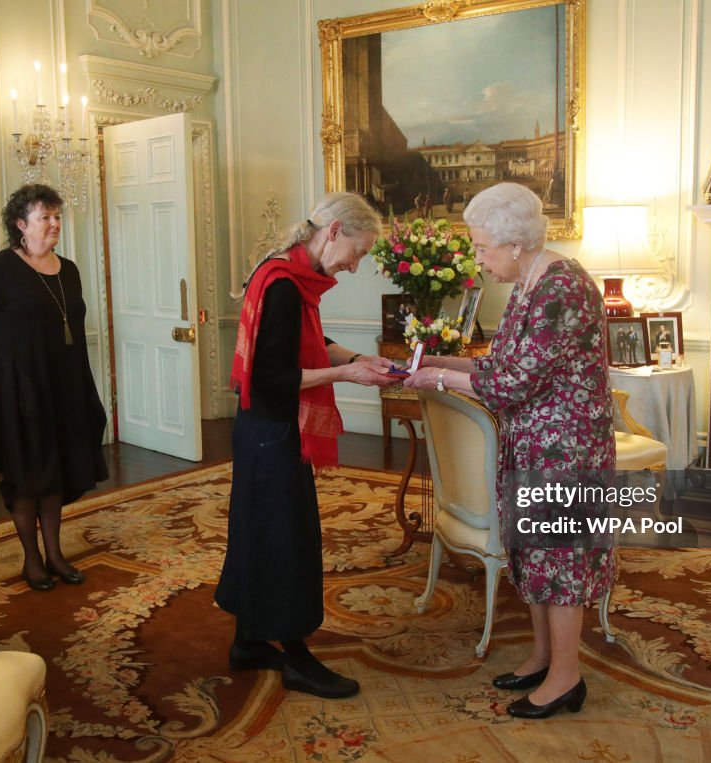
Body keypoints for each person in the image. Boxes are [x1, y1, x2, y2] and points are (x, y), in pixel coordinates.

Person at [404, 183, 615, 719]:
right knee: (537, 553)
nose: (478, 260)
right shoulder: (529, 281)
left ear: (515, 243)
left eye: (481, 248)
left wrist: (437, 380)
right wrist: (447, 364)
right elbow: (501, 365)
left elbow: (513, 384)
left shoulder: (561, 288)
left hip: (566, 450)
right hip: (536, 442)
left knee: (561, 558)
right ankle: (545, 656)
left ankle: (567, 678)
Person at [215, 191, 396, 700]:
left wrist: (363, 358)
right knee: (285, 539)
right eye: (357, 252)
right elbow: (271, 376)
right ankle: (296, 658)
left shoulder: (290, 277)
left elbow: (311, 341)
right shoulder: (283, 285)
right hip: (273, 428)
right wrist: (347, 373)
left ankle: (248, 643)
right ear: (334, 231)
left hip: (263, 428)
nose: (356, 267)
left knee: (257, 530)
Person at [0, 184, 108, 592]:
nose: (54, 224)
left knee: (55, 473)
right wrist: (6, 362)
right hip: (18, 391)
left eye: (57, 216)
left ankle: (56, 554)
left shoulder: (70, 269)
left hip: (65, 387)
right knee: (26, 476)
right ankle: (32, 560)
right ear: (21, 225)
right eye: (45, 217)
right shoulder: (0, 269)